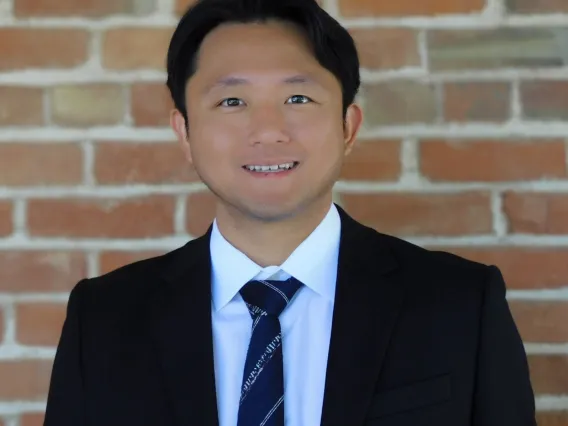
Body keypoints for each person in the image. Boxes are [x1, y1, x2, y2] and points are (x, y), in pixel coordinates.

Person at [43, 0, 537, 425]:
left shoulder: (461, 306)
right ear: (184, 132)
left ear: (348, 125)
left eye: (297, 97)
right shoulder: (105, 320)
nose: (268, 130)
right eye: (231, 100)